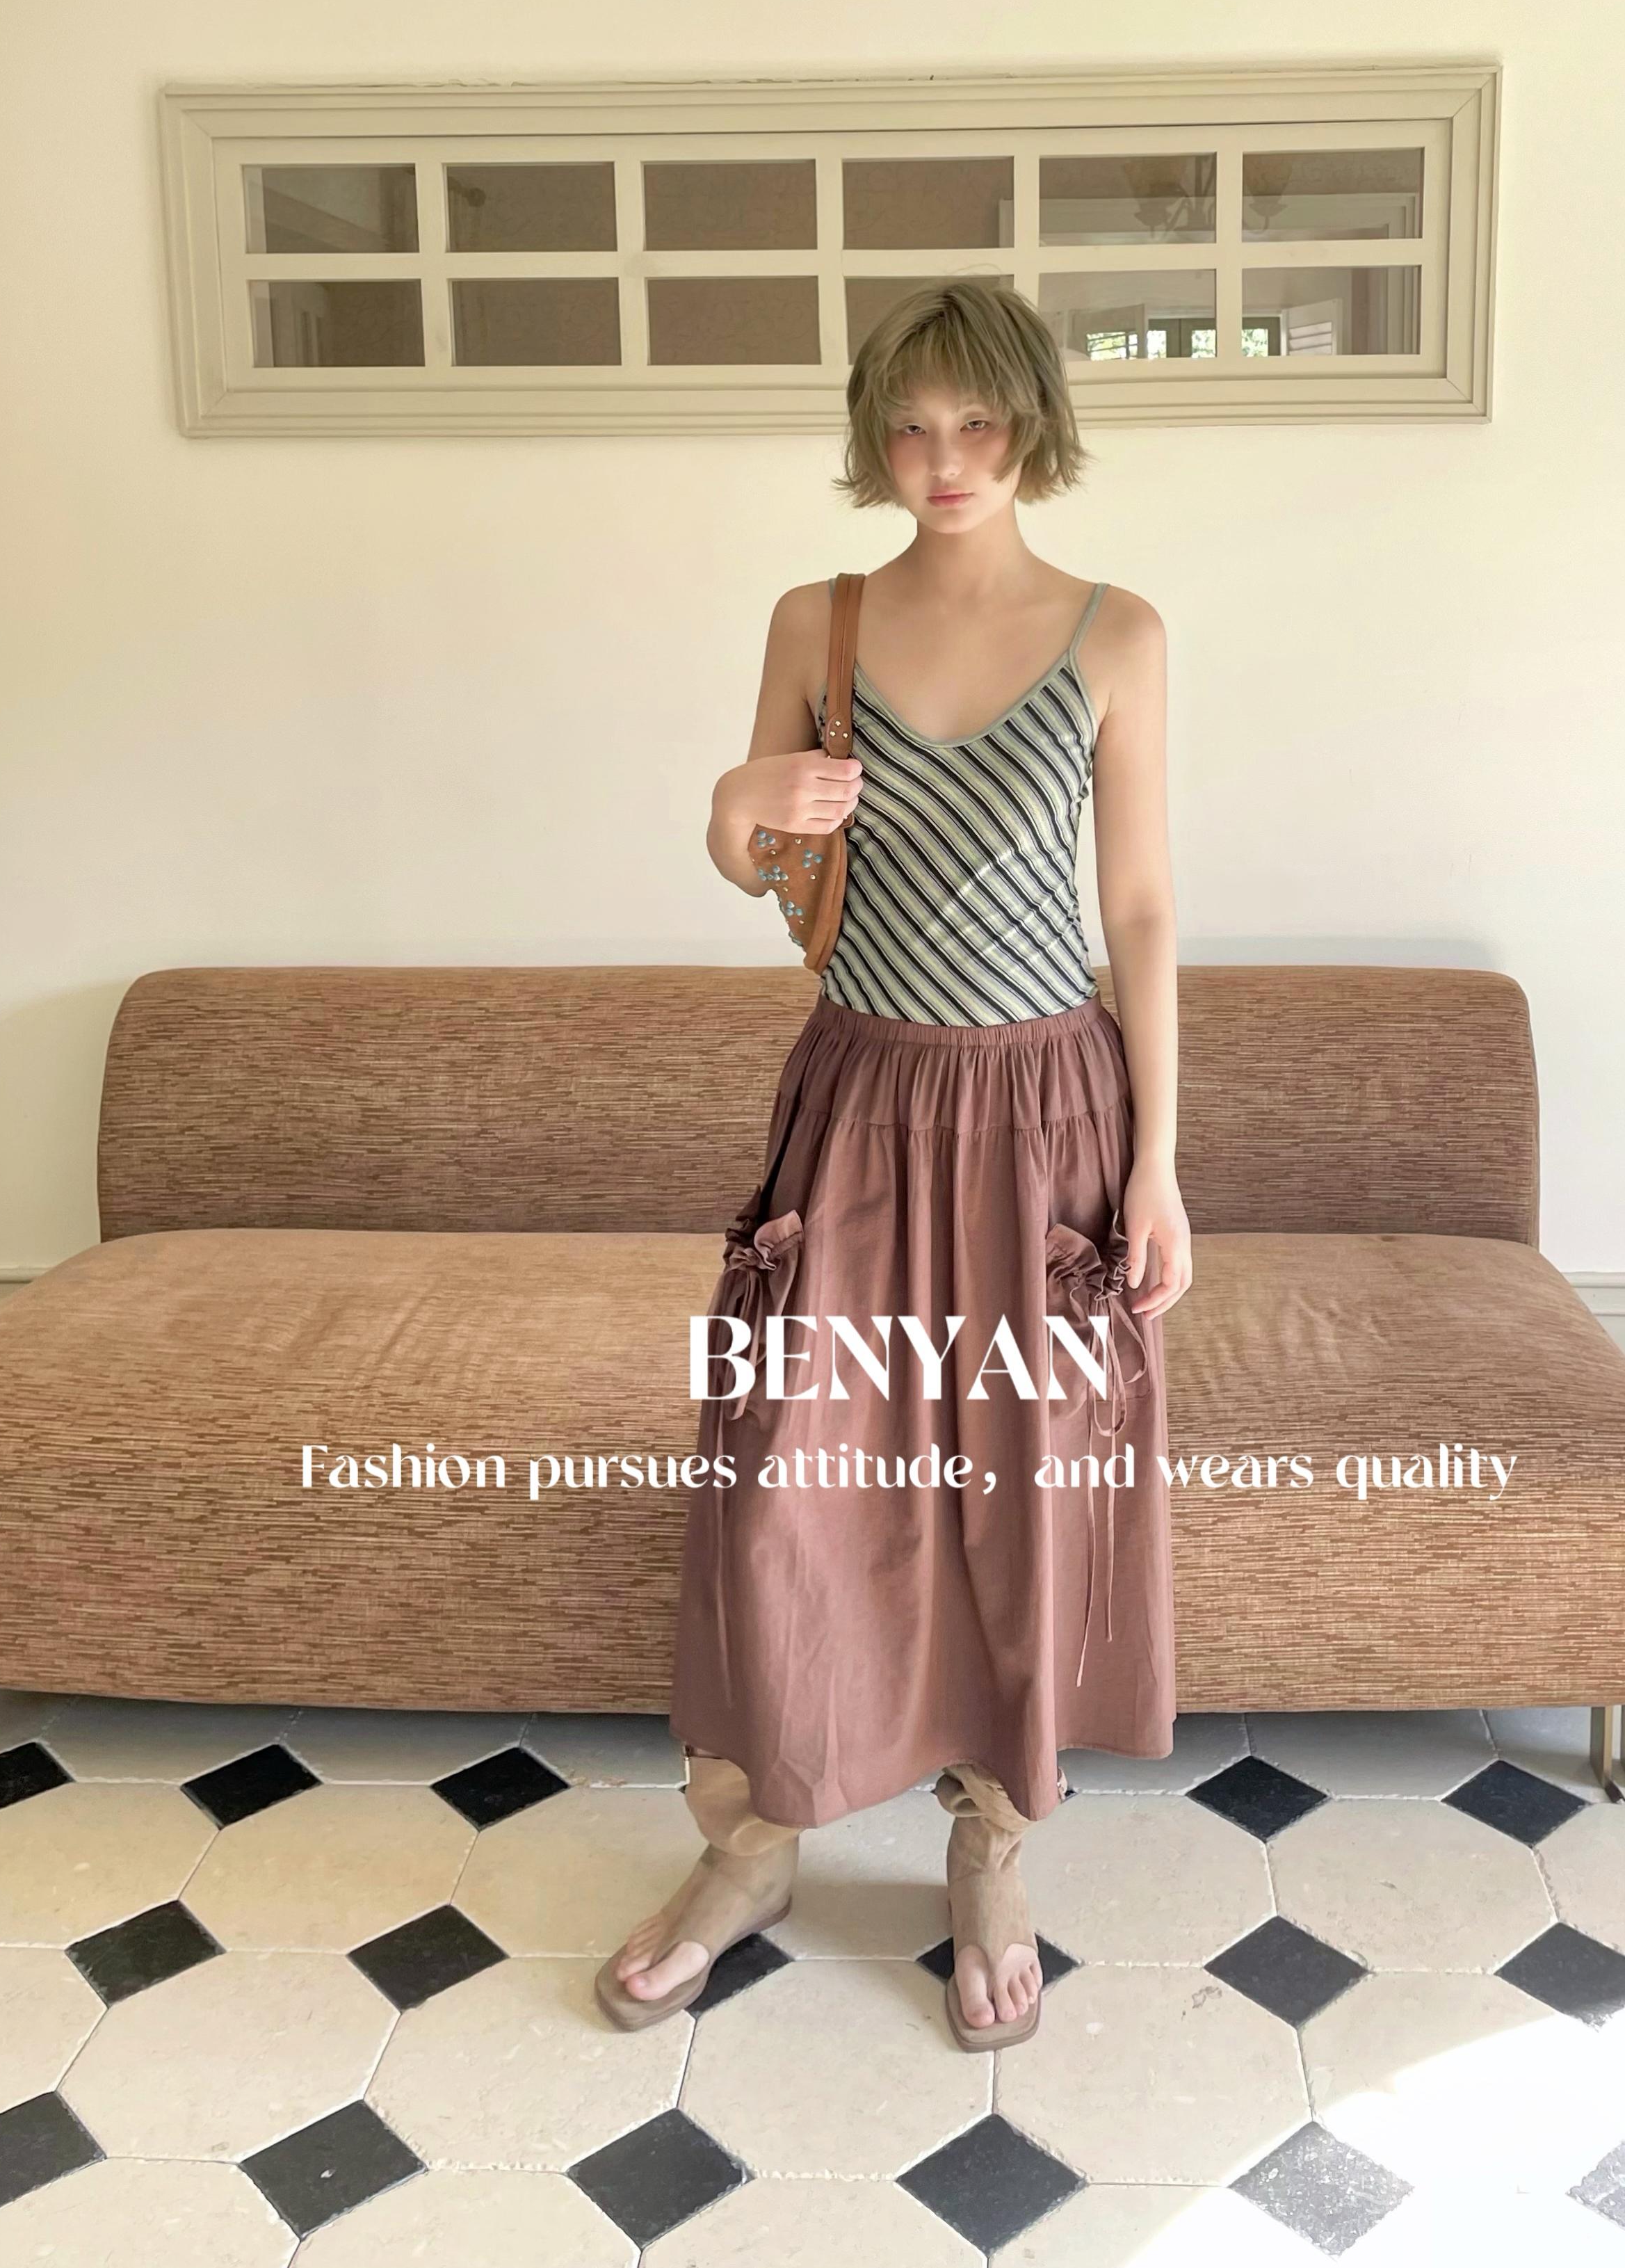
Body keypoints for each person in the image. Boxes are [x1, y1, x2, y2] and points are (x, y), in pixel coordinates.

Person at [596, 279, 1189, 2052]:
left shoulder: (1118, 633)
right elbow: (769, 867)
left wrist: (1162, 1165)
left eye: (978, 422)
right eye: (911, 426)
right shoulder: (819, 619)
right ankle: (753, 1848)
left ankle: (990, 1851)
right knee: (784, 1487)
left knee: (1026, 1500)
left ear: (1033, 426)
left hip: (1050, 1123)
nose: (945, 459)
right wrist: (731, 806)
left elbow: (1142, 910)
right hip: (853, 1109)